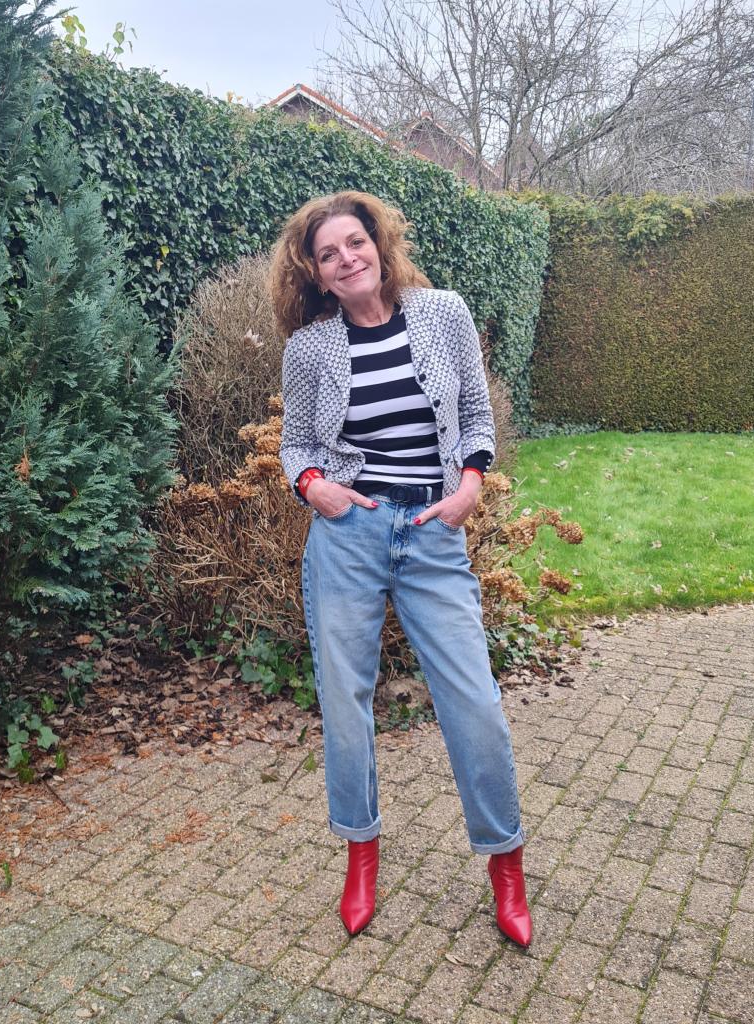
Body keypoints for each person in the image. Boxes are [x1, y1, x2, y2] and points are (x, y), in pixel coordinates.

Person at [268, 191, 531, 946]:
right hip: (348, 534)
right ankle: (360, 856)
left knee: (473, 700)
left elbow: (475, 418)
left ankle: (506, 865)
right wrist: (313, 487)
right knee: (345, 701)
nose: (346, 258)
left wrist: (469, 488)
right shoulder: (310, 349)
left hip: (431, 531)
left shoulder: (443, 314)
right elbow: (296, 445)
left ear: (378, 244)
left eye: (355, 242)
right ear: (315, 273)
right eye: (328, 254)